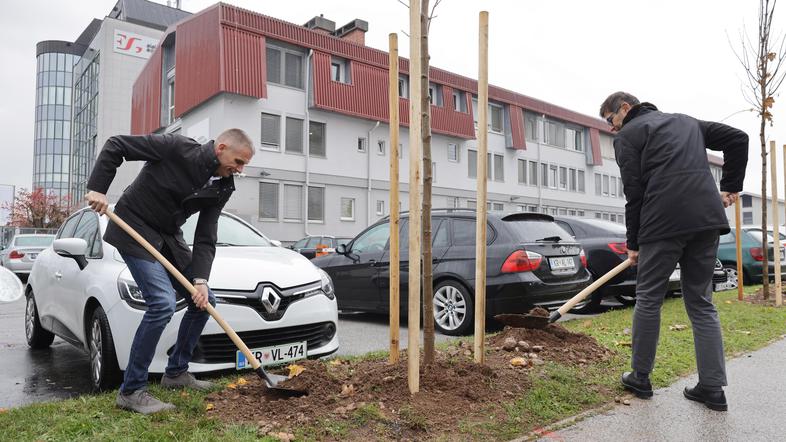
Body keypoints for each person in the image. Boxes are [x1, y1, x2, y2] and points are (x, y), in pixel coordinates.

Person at [86, 129, 254, 415]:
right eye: (238, 161)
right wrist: (98, 188)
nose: (240, 170)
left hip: (168, 238)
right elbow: (117, 145)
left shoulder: (224, 186)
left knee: (204, 301)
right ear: (221, 148)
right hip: (134, 227)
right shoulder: (175, 147)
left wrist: (200, 281)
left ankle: (176, 373)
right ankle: (131, 391)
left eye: (243, 165)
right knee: (162, 303)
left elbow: (205, 235)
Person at [599, 92, 748, 411]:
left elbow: (634, 192)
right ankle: (712, 388)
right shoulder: (687, 122)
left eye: (611, 121)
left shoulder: (628, 136)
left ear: (624, 109)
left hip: (661, 223)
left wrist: (633, 243)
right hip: (706, 220)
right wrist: (731, 185)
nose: (612, 129)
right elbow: (738, 138)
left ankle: (640, 377)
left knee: (649, 298)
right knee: (701, 301)